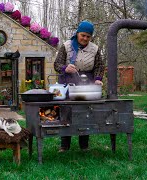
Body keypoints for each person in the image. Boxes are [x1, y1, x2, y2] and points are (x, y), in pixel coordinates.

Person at [54, 20, 104, 152]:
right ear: (77, 33)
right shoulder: (66, 46)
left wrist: (98, 79)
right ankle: (64, 145)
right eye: (83, 35)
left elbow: (99, 66)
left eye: (88, 36)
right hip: (67, 83)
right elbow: (57, 65)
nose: (85, 38)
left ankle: (84, 145)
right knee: (66, 112)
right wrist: (65, 68)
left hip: (86, 83)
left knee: (85, 112)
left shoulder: (95, 49)